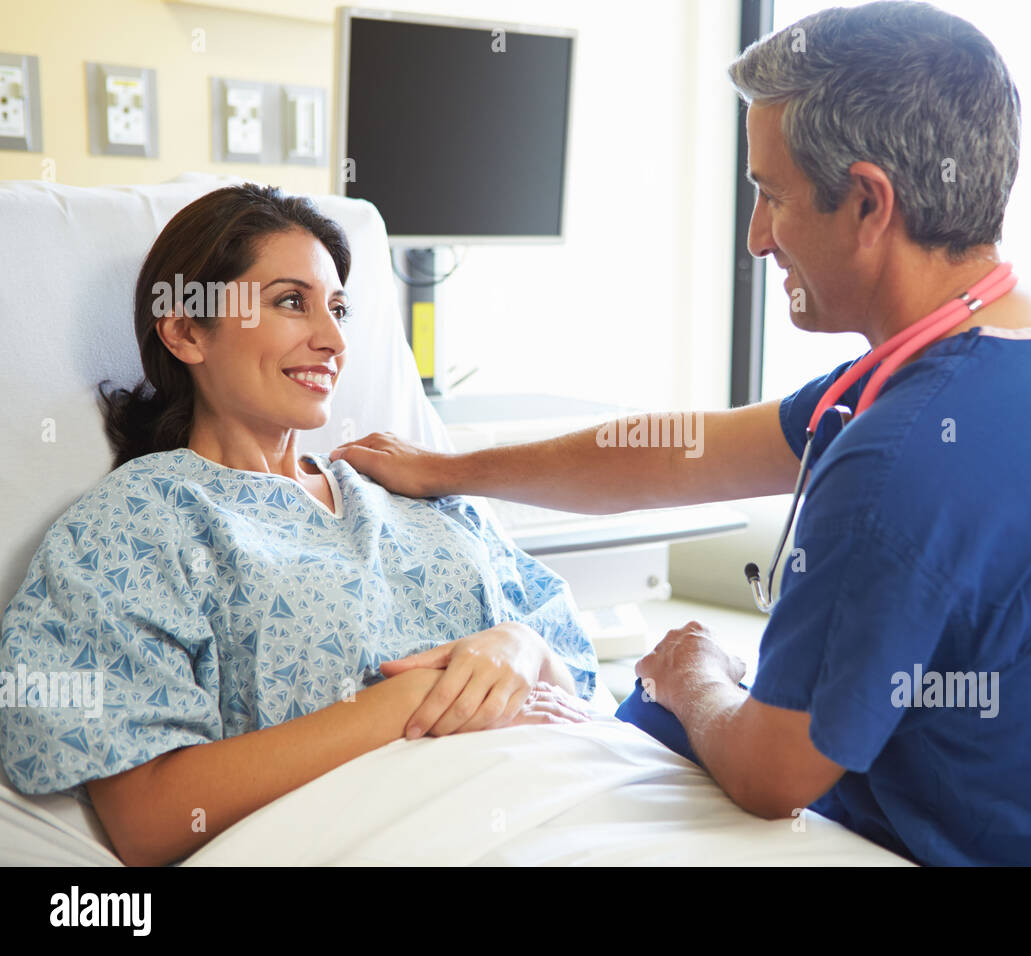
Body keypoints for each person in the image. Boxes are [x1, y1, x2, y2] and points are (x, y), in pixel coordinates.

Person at [331, 2, 1031, 864]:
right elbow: (690, 447)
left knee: (648, 721)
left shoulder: (902, 453)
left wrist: (692, 676)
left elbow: (771, 773)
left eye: (771, 192)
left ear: (869, 202)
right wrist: (451, 464)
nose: (755, 237)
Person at [0, 183, 598, 867]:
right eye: (292, 302)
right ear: (187, 330)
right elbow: (149, 817)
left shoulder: (411, 487)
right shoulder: (136, 526)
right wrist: (405, 703)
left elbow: (583, 688)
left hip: (580, 798)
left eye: (339, 308)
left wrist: (522, 647)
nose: (335, 340)